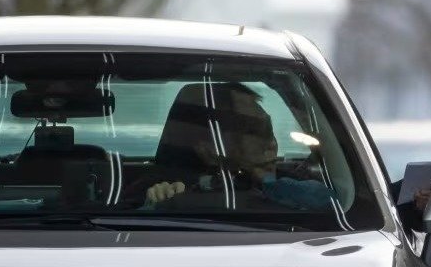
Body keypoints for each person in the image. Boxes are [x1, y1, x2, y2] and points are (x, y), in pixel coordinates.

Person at [130, 82, 333, 211]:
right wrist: (158, 203)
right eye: (254, 133)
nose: (271, 144)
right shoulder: (162, 193)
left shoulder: (295, 185)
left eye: (269, 130)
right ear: (207, 149)